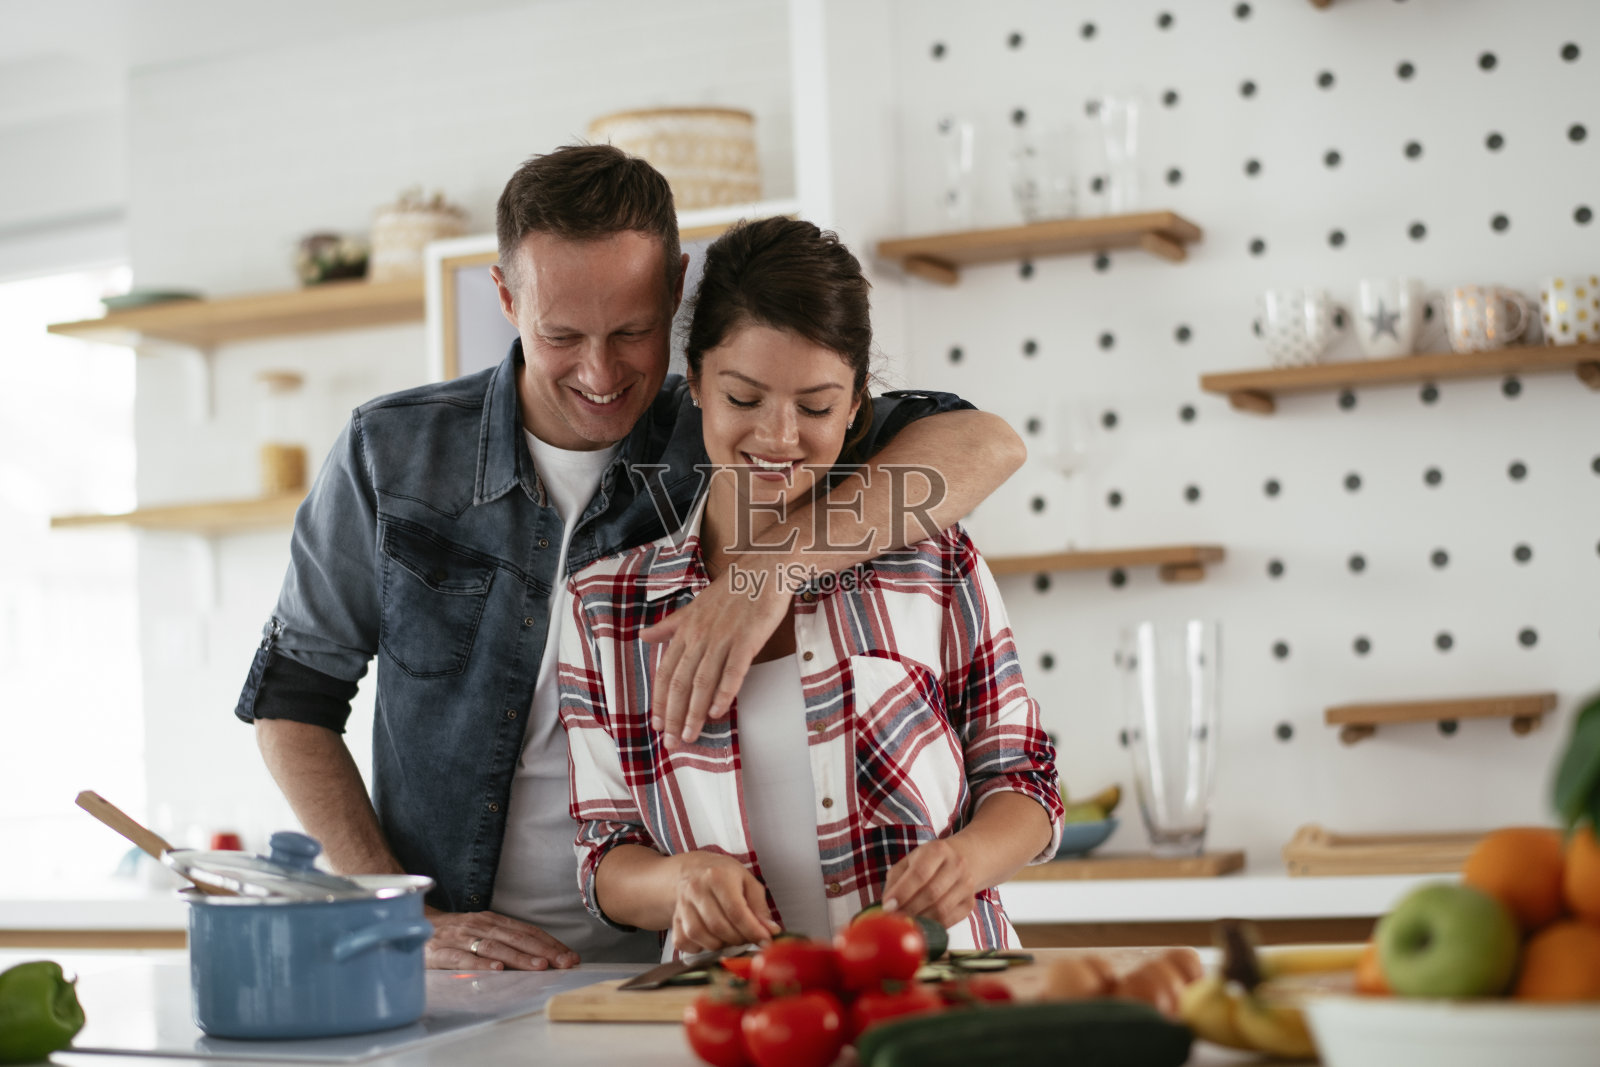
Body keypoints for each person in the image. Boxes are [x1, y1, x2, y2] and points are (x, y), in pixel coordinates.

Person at [234, 145, 1026, 971]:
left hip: (658, 960)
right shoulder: (390, 452)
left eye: (632, 331)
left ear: (676, 290)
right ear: (506, 297)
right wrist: (402, 911)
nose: (602, 373)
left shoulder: (732, 421)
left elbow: (983, 446)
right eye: (561, 335)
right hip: (452, 953)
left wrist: (769, 572)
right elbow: (293, 699)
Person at [559, 217, 1062, 957]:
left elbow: (1025, 778)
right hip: (737, 1011)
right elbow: (604, 853)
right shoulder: (606, 607)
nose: (779, 435)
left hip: (944, 991)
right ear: (694, 381)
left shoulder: (931, 557)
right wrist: (681, 884)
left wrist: (967, 861)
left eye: (817, 406)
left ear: (858, 402)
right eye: (744, 398)